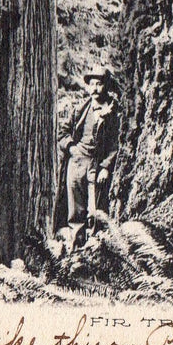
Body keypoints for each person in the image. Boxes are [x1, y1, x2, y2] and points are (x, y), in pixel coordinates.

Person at [54, 65, 122, 232]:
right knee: (75, 211)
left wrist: (106, 166)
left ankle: (93, 245)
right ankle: (75, 247)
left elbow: (116, 142)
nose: (95, 89)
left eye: (99, 84)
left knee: (95, 210)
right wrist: (71, 148)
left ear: (106, 86)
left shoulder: (114, 112)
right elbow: (62, 132)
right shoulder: (80, 109)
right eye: (92, 84)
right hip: (77, 162)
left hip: (96, 164)